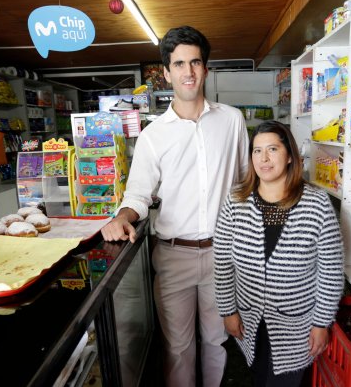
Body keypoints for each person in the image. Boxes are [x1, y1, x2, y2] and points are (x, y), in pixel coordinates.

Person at [101, 25, 249, 387]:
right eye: (179, 64)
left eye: (195, 62)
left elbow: (246, 185)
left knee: (217, 341)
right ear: (166, 73)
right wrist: (122, 217)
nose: (189, 72)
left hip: (223, 254)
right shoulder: (154, 135)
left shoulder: (232, 121)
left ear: (205, 68)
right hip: (172, 256)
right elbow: (138, 192)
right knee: (178, 348)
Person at [213, 121, 344, 386]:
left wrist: (321, 324)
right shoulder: (236, 201)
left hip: (297, 328)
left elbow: (330, 273)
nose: (263, 158)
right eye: (257, 151)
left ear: (289, 157)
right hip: (249, 320)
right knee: (259, 378)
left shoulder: (317, 204)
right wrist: (228, 311)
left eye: (272, 149)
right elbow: (223, 263)